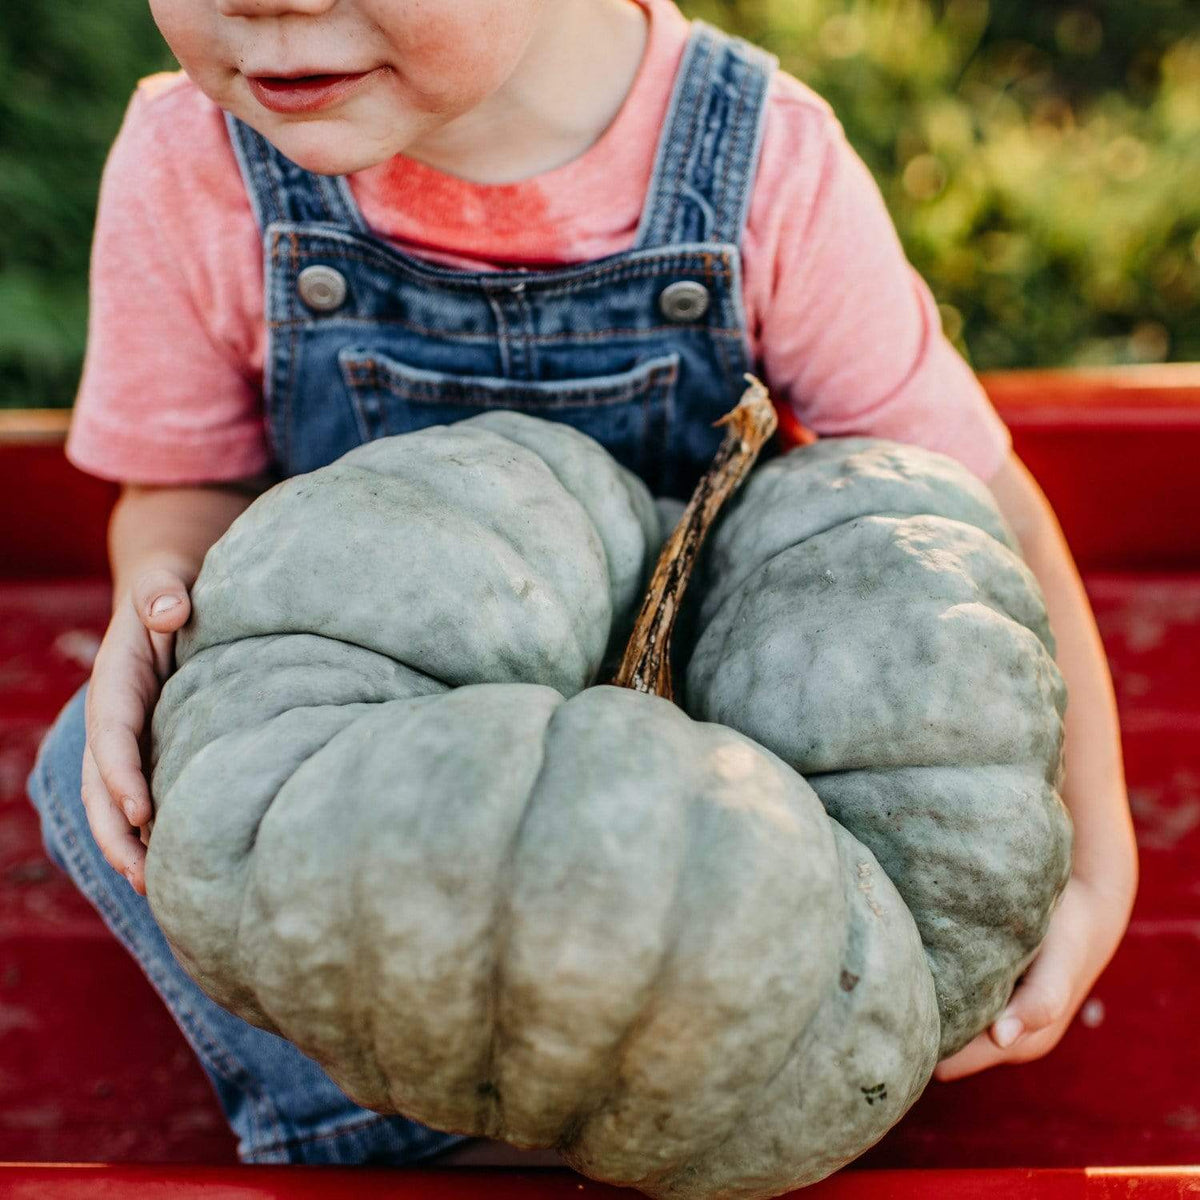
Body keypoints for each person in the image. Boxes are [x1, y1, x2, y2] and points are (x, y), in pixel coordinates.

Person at [27, 0, 1138, 1168]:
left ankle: (617, 1097)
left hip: (728, 769)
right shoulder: (192, 159)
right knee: (96, 765)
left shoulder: (759, 158)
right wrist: (154, 596)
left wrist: (1098, 852)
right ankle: (385, 1127)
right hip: (389, 756)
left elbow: (967, 528)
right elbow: (181, 489)